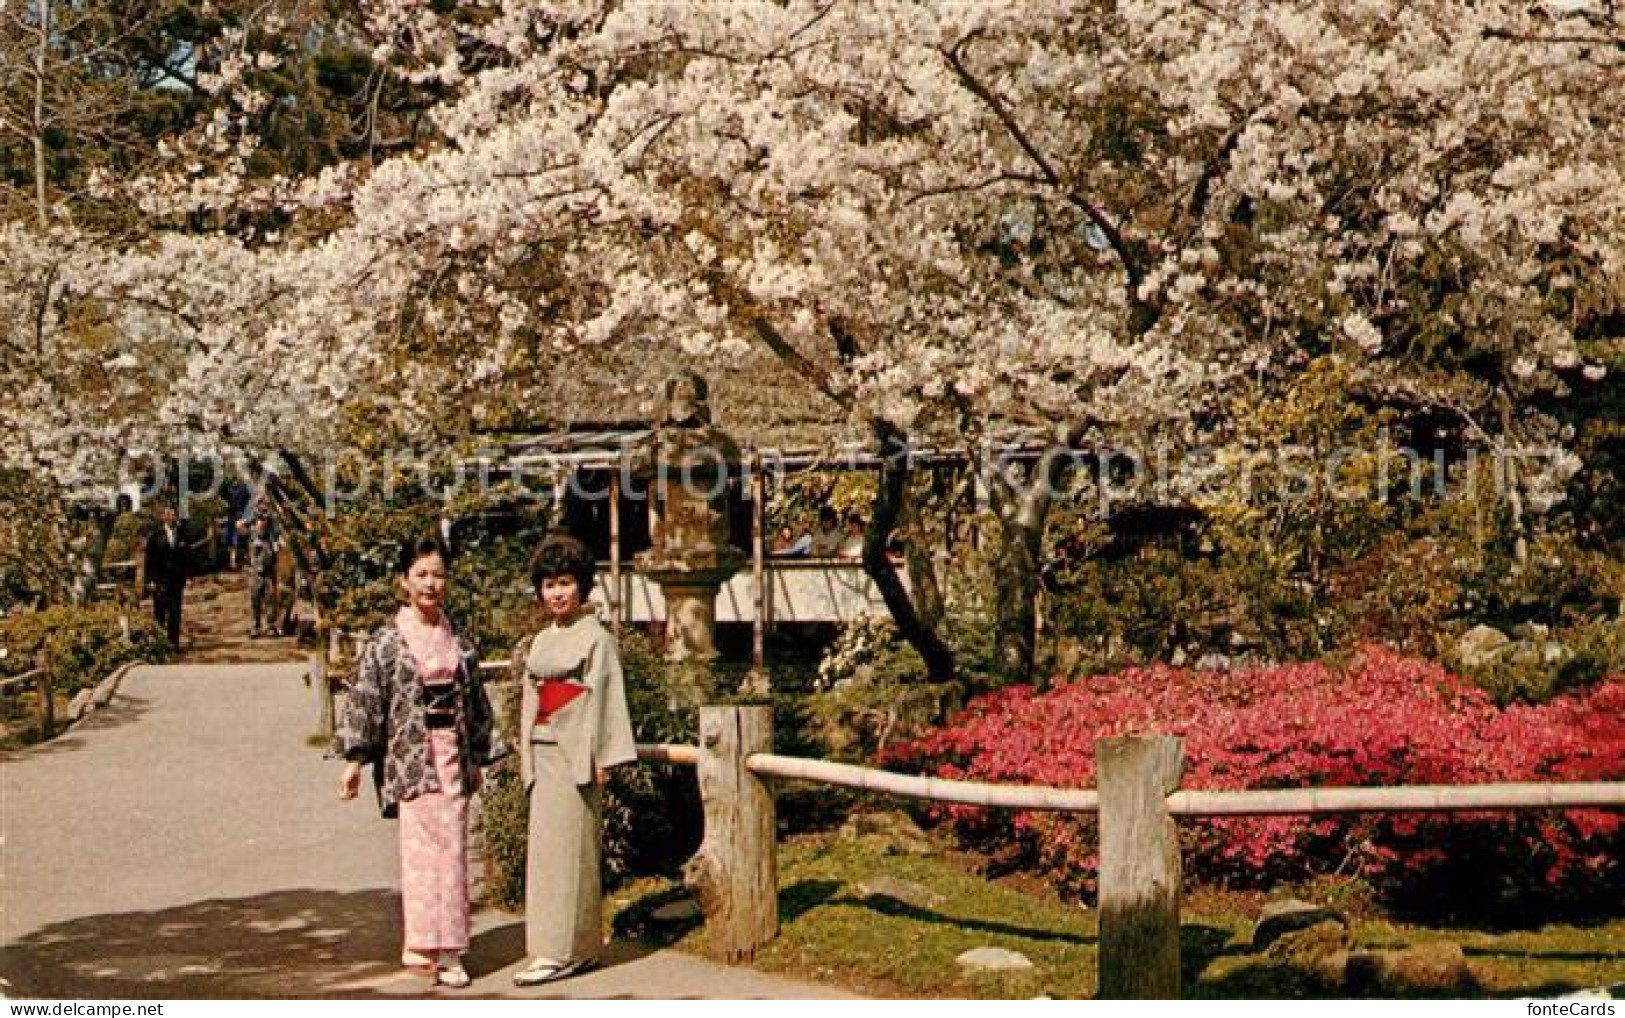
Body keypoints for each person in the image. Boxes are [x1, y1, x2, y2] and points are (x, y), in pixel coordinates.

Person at [334, 536, 507, 989]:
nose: (431, 584)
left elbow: (475, 704)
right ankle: (420, 945)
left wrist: (480, 757)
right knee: (418, 856)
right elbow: (367, 700)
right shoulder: (387, 642)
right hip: (411, 757)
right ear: (404, 582)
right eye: (421, 574)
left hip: (452, 754)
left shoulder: (460, 642)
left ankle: (451, 950)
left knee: (453, 853)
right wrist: (355, 760)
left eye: (438, 574)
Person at [511, 534, 637, 987]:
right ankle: (562, 947)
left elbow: (605, 696)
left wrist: (603, 754)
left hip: (577, 751)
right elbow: (531, 697)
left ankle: (567, 949)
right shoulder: (540, 641)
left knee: (572, 852)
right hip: (543, 750)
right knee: (547, 856)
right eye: (548, 585)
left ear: (582, 586)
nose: (557, 593)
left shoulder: (597, 638)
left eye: (565, 582)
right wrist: (524, 750)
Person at [142, 504, 191, 649]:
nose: (171, 517)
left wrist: (188, 576)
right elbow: (149, 560)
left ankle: (173, 643)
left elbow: (187, 557)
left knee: (175, 613)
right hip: (160, 580)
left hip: (177, 580)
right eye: (168, 514)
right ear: (163, 517)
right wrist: (150, 580)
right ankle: (159, 645)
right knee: (159, 613)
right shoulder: (155, 536)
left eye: (173, 514)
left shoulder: (182, 534)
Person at [244, 516, 278, 637]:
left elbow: (275, 557)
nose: (260, 529)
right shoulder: (253, 539)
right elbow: (240, 526)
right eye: (259, 527)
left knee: (270, 601)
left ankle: (271, 626)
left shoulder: (272, 540)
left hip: (269, 573)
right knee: (255, 601)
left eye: (263, 527)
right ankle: (255, 627)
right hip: (255, 574)